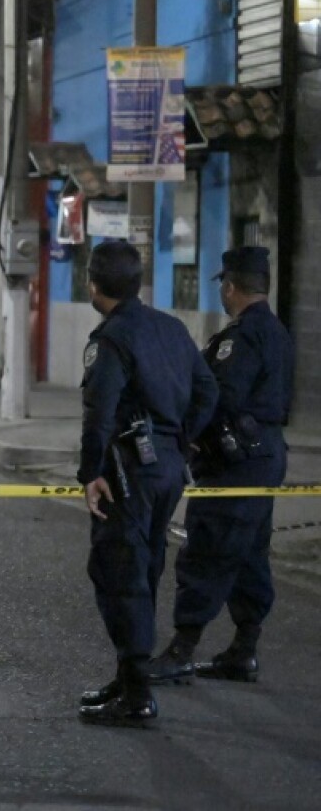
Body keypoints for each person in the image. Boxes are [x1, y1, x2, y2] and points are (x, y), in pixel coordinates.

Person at [76, 240, 218, 728]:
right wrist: (182, 444)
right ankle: (126, 677)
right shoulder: (171, 329)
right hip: (166, 470)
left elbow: (99, 416)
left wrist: (90, 473)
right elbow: (207, 390)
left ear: (93, 282)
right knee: (145, 567)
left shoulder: (112, 339)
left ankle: (137, 694)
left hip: (128, 472)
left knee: (120, 573)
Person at [147, 246, 294, 685]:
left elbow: (220, 399)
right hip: (265, 454)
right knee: (249, 552)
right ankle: (243, 650)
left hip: (236, 461)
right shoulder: (279, 332)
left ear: (230, 287)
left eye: (224, 288)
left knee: (207, 549)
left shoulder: (241, 337)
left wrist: (186, 438)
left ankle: (181, 649)